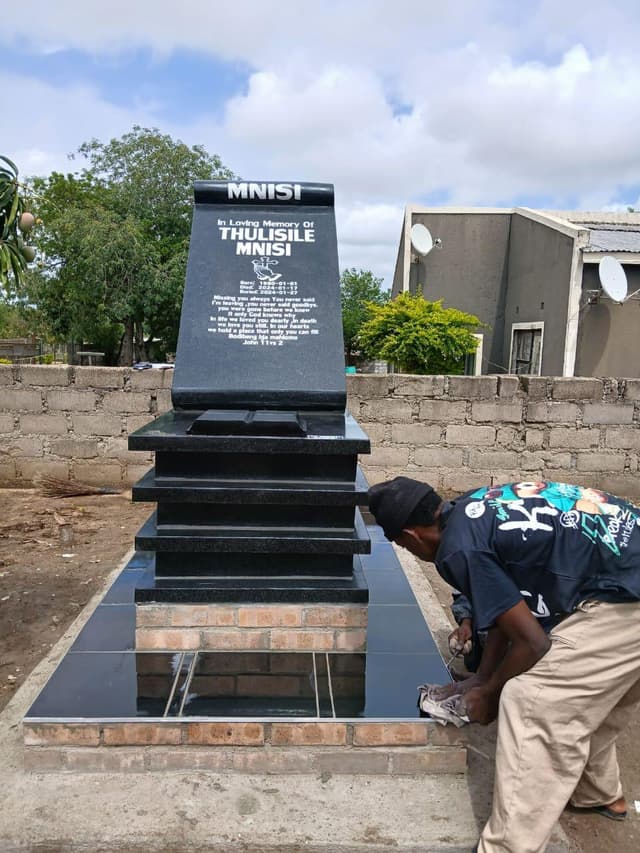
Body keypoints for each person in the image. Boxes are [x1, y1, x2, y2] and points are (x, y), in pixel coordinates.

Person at [368, 476, 640, 853]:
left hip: (625, 596)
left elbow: (533, 642)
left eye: (400, 544)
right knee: (588, 694)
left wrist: (491, 694)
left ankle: (510, 846)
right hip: (625, 572)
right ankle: (598, 793)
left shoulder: (456, 549)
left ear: (411, 536)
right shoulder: (473, 507)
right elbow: (508, 614)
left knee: (534, 702)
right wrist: (480, 677)